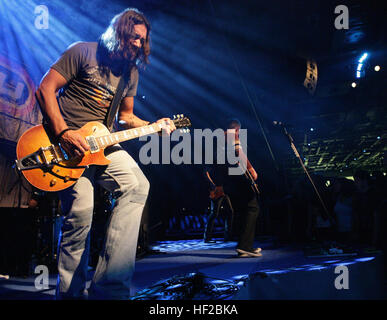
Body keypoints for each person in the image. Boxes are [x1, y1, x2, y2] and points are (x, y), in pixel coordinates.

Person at [35, 8, 176, 299]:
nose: (139, 44)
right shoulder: (82, 52)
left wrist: (154, 125)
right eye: (134, 37)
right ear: (119, 32)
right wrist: (63, 133)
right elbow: (45, 89)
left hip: (103, 143)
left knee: (137, 186)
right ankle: (71, 294)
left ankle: (110, 288)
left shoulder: (130, 72)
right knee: (81, 210)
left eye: (143, 40)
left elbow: (126, 117)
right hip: (65, 147)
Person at [209, 119, 262, 257]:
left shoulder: (219, 139)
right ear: (237, 129)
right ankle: (245, 246)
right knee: (252, 207)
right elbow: (239, 152)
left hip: (228, 180)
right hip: (237, 178)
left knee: (243, 210)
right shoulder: (232, 136)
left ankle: (244, 246)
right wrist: (251, 169)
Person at [203, 169, 234, 243]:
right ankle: (207, 237)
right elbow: (205, 173)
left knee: (230, 212)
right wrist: (213, 187)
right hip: (216, 189)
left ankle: (228, 236)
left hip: (223, 189)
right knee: (214, 213)